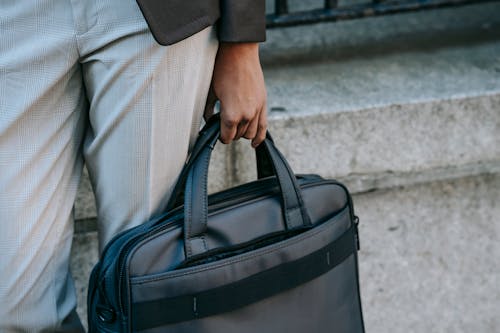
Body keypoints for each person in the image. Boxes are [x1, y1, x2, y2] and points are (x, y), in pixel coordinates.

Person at [0, 1, 267, 331]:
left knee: (145, 280)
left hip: (151, 18)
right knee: (11, 303)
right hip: (15, 17)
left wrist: (242, 42)